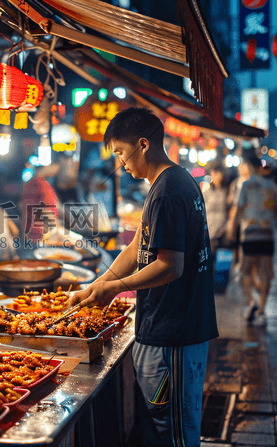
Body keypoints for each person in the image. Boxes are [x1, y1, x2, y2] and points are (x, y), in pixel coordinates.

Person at [69, 108, 218, 447]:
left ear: (142, 144)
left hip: (174, 333)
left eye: (121, 153)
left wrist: (114, 288)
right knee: (160, 431)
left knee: (175, 435)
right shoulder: (169, 183)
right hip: (167, 330)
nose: (121, 163)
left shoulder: (168, 190)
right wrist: (96, 285)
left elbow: (171, 265)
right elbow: (138, 248)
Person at [227, 152, 277, 327]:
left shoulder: (245, 185)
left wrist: (232, 229)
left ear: (250, 167)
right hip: (267, 234)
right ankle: (261, 309)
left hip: (250, 234)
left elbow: (239, 209)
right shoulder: (270, 185)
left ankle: (252, 301)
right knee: (265, 274)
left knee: (244, 272)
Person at [203, 163, 229, 255]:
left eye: (217, 173)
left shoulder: (227, 191)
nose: (216, 176)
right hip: (210, 232)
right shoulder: (206, 193)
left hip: (223, 232)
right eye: (213, 174)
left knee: (223, 263)